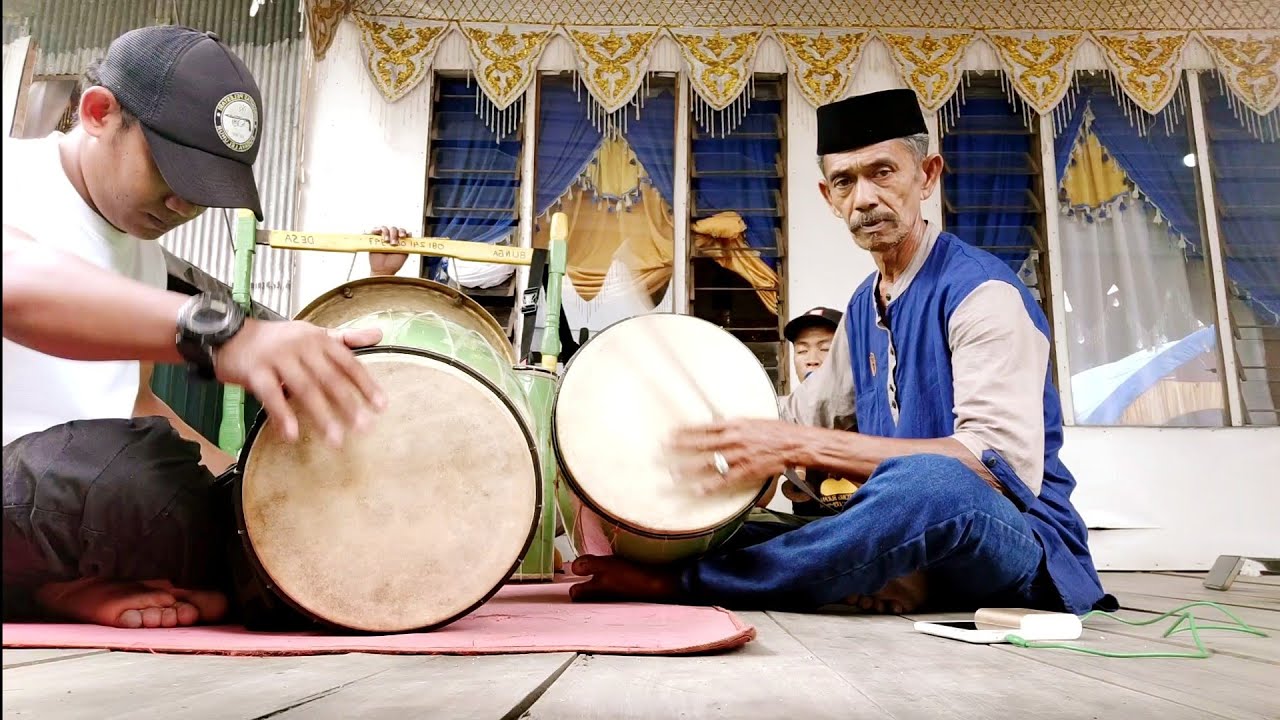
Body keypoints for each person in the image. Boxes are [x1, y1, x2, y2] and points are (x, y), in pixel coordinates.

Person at [569, 88, 1115, 617]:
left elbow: (994, 467)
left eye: (883, 172)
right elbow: (798, 417)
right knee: (715, 530)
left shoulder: (982, 293)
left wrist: (794, 445)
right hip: (906, 529)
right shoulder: (862, 307)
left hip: (1017, 543)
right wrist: (691, 446)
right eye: (844, 181)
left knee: (932, 485)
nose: (864, 198)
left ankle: (684, 584)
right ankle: (890, 569)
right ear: (829, 197)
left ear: (926, 176)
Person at [1, 25, 401, 629]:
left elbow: (137, 402)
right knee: (131, 480)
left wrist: (248, 484)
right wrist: (227, 335)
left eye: (201, 190)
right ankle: (52, 591)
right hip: (41, 489)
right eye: (171, 172)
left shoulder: (140, 252)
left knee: (276, 537)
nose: (183, 206)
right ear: (100, 113)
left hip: (80, 501)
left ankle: (75, 585)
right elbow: (15, 284)